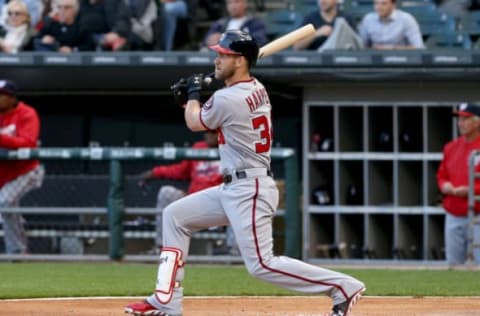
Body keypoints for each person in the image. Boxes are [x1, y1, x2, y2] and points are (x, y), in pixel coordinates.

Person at [125, 30, 365, 316]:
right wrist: (195, 97)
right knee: (174, 216)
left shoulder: (229, 99)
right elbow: (215, 108)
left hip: (248, 188)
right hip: (234, 186)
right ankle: (167, 300)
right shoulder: (255, 88)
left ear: (240, 61)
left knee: (261, 265)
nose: (216, 59)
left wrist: (190, 95)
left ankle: (343, 287)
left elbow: (194, 122)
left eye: (224, 55)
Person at [137, 131, 225, 251]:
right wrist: (155, 172)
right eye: (207, 132)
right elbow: (180, 170)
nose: (209, 135)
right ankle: (162, 247)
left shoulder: (229, 148)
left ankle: (234, 253)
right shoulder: (198, 148)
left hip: (218, 205)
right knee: (166, 192)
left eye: (213, 132)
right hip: (194, 200)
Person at [0, 80, 44, 254]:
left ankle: (17, 251)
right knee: (7, 208)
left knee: (4, 203)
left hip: (26, 171)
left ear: (11, 98)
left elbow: (28, 142)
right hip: (4, 174)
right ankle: (18, 241)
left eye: (1, 95)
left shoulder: (27, 113)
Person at [437, 102, 480, 266]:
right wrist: (445, 185)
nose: (460, 123)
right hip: (454, 212)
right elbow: (441, 175)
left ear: (477, 122)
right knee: (454, 265)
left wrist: (471, 190)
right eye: (459, 119)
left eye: (465, 119)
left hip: (477, 213)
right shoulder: (451, 147)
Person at [294, 0, 363, 52]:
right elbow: (297, 46)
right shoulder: (310, 18)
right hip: (316, 64)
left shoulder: (346, 18)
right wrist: (316, 33)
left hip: (340, 63)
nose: (322, 1)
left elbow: (358, 46)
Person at [201, 0, 267, 50]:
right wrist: (210, 40)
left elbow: (260, 41)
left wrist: (228, 39)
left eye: (236, 1)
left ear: (245, 3)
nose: (233, 6)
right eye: (229, 3)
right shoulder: (220, 23)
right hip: (220, 58)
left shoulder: (254, 23)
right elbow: (205, 41)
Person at [358, 0, 425, 50]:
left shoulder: (406, 19)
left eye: (383, 4)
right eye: (376, 3)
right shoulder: (368, 19)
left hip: (401, 60)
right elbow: (361, 46)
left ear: (393, 5)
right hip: (375, 61)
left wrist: (391, 48)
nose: (379, 7)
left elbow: (419, 47)